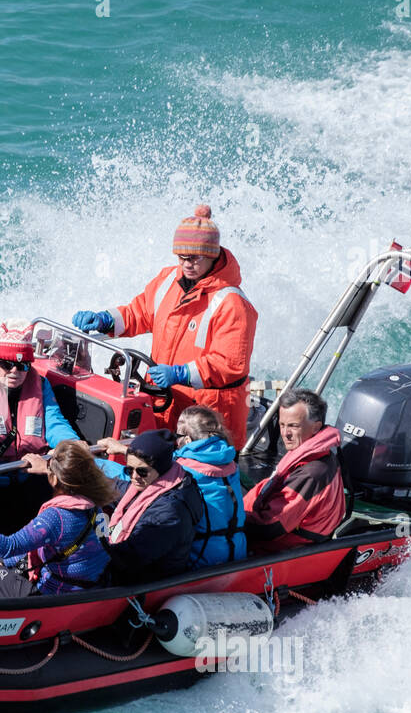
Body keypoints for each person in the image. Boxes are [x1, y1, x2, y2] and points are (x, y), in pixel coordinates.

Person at [71, 204, 258, 448]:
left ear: (212, 254)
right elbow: (139, 313)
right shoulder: (168, 280)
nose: (187, 264)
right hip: (165, 401)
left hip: (209, 416)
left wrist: (180, 374)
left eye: (194, 258)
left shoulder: (232, 303)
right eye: (182, 257)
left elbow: (230, 364)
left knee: (200, 475)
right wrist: (106, 319)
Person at [0, 320, 123, 531]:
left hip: (31, 473)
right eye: (6, 364)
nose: (14, 371)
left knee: (87, 478)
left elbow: (54, 423)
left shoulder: (40, 384)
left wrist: (74, 445)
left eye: (22, 366)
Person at [0, 440, 115, 597]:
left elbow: (7, 547)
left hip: (54, 597)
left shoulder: (57, 517)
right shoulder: (93, 502)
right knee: (2, 562)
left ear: (54, 479)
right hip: (91, 588)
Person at [244, 389, 348, 553]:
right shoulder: (319, 452)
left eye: (293, 426)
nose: (285, 434)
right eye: (282, 425)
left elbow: (270, 527)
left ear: (316, 427)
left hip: (284, 548)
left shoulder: (312, 473)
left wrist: (233, 518)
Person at [96, 429, 205, 585]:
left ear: (160, 468)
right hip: (133, 565)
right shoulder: (163, 481)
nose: (133, 477)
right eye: (129, 470)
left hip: (145, 583)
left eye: (141, 471)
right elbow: (118, 487)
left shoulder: (169, 513)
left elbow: (126, 558)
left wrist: (85, 547)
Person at [173, 405, 247, 566]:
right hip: (238, 553)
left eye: (177, 435)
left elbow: (141, 478)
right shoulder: (230, 463)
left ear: (187, 440)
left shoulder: (181, 470)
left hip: (202, 561)